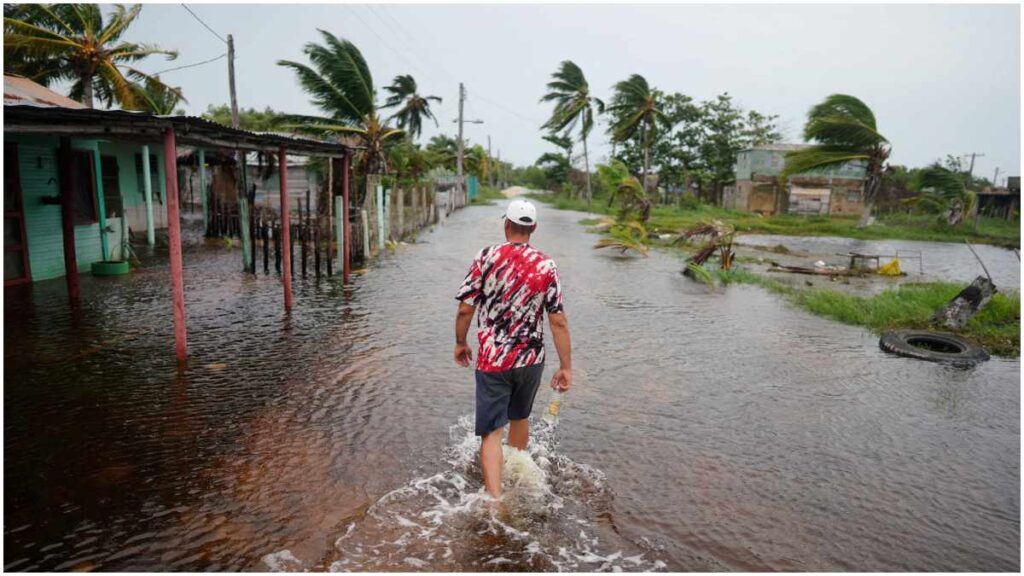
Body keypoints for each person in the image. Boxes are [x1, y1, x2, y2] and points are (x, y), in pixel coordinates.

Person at [453, 199, 572, 499]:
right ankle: (518, 480)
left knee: (491, 432)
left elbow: (466, 308)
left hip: (494, 359)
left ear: (505, 223)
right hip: (531, 359)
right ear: (533, 228)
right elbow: (557, 320)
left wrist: (460, 342)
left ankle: (495, 502)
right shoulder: (547, 265)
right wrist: (566, 366)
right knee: (520, 417)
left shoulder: (486, 257)